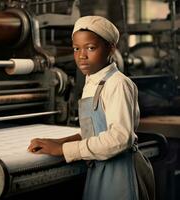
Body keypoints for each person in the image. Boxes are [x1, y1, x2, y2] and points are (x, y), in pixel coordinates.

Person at [28, 16, 155, 200]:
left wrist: (65, 151)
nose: (82, 56)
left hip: (120, 173)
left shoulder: (117, 83)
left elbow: (119, 138)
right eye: (76, 48)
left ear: (111, 48)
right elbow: (95, 131)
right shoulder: (93, 80)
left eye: (90, 48)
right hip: (100, 168)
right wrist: (59, 142)